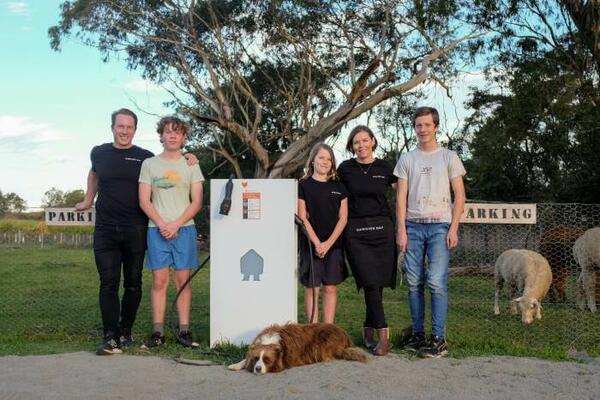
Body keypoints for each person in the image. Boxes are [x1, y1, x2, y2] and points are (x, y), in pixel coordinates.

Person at [76, 108, 197, 356]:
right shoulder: (99, 152)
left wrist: (190, 156)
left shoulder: (145, 157)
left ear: (135, 129)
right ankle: (111, 336)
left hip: (136, 228)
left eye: (129, 127)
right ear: (113, 127)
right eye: (120, 126)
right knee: (108, 282)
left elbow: (169, 162)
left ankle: (126, 330)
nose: (124, 131)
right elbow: (94, 173)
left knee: (133, 283)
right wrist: (89, 198)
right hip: (106, 228)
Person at [395, 106, 466, 358]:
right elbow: (401, 197)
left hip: (439, 227)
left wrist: (454, 227)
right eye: (418, 125)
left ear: (435, 126)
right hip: (413, 226)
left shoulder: (449, 157)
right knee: (414, 283)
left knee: (436, 282)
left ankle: (438, 339)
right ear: (415, 128)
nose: (422, 129)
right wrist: (401, 230)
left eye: (427, 124)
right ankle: (417, 335)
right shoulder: (407, 159)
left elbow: (460, 196)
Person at [138, 116, 204, 349]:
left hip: (184, 229)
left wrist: (176, 223)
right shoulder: (149, 164)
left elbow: (197, 201)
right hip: (156, 229)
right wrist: (162, 224)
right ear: (161, 135)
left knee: (182, 280)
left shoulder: (191, 164)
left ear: (183, 137)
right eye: (168, 131)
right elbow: (144, 200)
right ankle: (158, 332)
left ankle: (184, 331)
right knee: (159, 280)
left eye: (177, 132)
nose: (172, 135)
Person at [337, 126, 398, 356]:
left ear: (373, 141)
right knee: (369, 281)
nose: (360, 145)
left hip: (383, 229)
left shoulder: (385, 167)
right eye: (356, 142)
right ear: (351, 146)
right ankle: (383, 335)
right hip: (356, 231)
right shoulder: (345, 169)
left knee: (378, 282)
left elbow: (402, 190)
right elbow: (332, 190)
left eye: (364, 140)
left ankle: (368, 327)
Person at [297, 143, 349, 324]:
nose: (325, 162)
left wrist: (327, 244)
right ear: (312, 160)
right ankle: (314, 329)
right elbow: (302, 216)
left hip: (333, 246)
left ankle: (328, 329)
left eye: (329, 159)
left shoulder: (339, 186)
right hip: (311, 246)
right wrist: (317, 243)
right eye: (321, 158)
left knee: (330, 288)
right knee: (312, 288)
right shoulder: (303, 185)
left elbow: (343, 218)